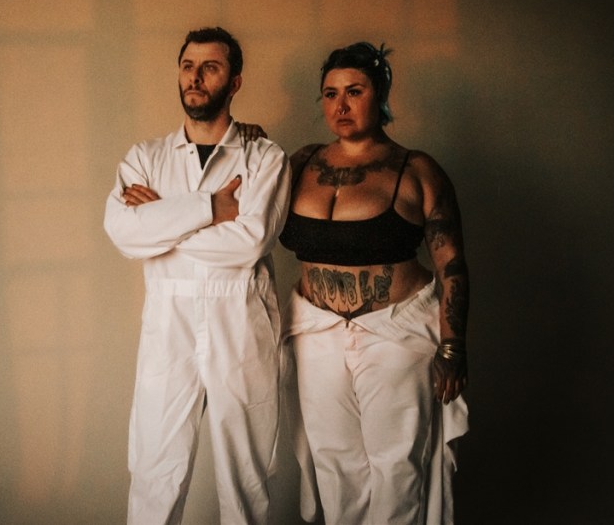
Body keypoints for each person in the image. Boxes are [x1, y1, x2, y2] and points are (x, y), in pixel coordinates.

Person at [103, 26, 292, 525]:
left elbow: (249, 242)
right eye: (188, 66)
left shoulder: (263, 157)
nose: (195, 77)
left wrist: (162, 221)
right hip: (169, 329)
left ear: (235, 82)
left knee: (246, 480)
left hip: (241, 325)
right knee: (154, 472)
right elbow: (123, 232)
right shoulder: (145, 158)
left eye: (211, 67)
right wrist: (208, 208)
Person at [277, 41, 470, 524]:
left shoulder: (417, 170)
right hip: (317, 333)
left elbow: (452, 265)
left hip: (395, 332)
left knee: (397, 463)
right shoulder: (300, 163)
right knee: (333, 459)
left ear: (379, 94)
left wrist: (452, 347)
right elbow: (241, 201)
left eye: (354, 91)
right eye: (330, 94)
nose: (340, 105)